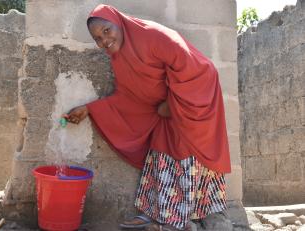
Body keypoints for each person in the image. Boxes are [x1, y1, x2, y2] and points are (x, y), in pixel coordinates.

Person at [64, 4, 231, 231]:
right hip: (167, 115)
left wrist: (173, 105)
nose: (104, 41)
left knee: (188, 156)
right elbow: (129, 96)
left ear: (119, 22)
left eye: (106, 31)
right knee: (161, 153)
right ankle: (160, 215)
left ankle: (183, 221)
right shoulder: (120, 58)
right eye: (97, 38)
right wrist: (90, 109)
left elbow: (202, 70)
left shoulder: (156, 36)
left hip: (191, 106)